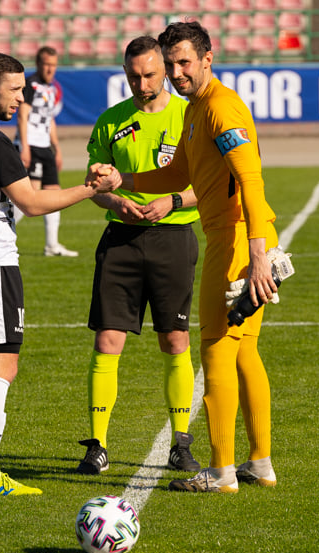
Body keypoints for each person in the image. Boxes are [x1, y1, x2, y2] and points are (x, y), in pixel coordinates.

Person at [107, 22, 281, 493]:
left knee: (216, 351)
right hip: (243, 237)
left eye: (185, 62)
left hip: (239, 241)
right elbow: (177, 172)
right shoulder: (196, 110)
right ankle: (259, 463)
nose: (177, 72)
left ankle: (222, 471)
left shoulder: (221, 108)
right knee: (244, 352)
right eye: (172, 64)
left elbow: (252, 180)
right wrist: (120, 180)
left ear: (208, 58)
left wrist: (257, 257)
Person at [0, 52, 118, 496]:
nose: (22, 97)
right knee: (2, 366)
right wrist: (92, 188)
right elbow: (32, 204)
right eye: (15, 89)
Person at [75, 36, 202, 476]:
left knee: (175, 340)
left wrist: (172, 201)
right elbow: (96, 188)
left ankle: (180, 442)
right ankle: (97, 445)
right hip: (122, 242)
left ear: (164, 70)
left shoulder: (190, 116)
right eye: (133, 75)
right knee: (107, 341)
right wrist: (116, 202)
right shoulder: (111, 121)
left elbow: (206, 187)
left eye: (149, 74)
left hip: (174, 238)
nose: (140, 83)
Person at [14, 46, 78, 256]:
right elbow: (22, 116)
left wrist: (57, 148)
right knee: (27, 198)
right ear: (39, 64)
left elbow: (50, 120)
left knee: (53, 195)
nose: (50, 69)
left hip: (45, 148)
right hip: (31, 146)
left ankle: (52, 245)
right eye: (46, 64)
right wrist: (24, 147)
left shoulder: (52, 88)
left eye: (53, 65)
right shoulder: (30, 85)